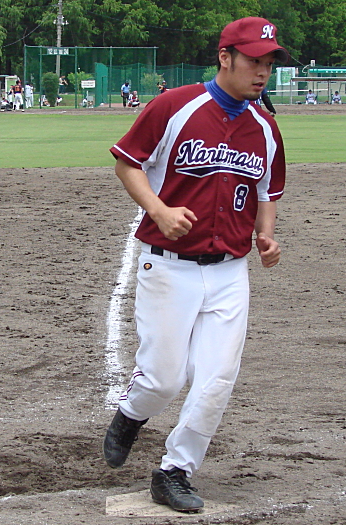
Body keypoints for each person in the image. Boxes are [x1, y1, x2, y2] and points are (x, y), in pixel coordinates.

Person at [104, 16, 286, 513]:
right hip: (169, 267)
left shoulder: (265, 128)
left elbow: (267, 190)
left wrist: (267, 235)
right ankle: (131, 413)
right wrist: (158, 210)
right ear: (225, 57)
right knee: (163, 379)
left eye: (269, 63)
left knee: (216, 379)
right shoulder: (175, 106)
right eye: (254, 60)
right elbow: (127, 162)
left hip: (230, 272)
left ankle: (175, 470)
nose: (262, 71)